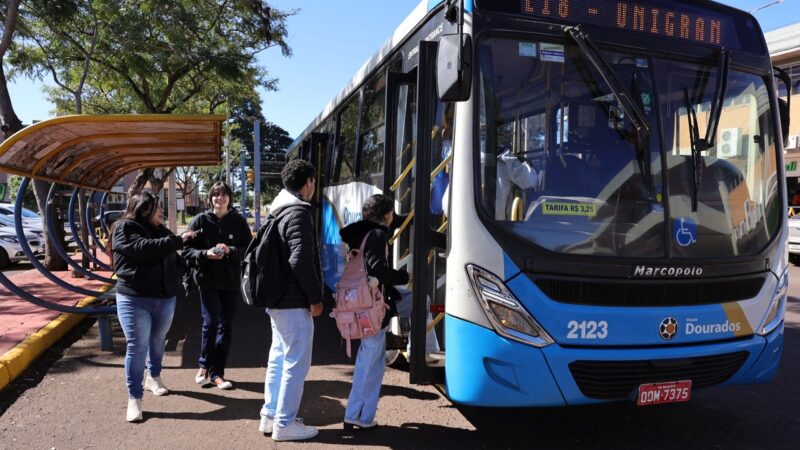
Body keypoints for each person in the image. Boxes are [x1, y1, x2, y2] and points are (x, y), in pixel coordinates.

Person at [110, 189, 196, 422]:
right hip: (134, 299)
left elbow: (175, 259)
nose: (160, 210)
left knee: (158, 341)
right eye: (156, 206)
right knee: (137, 346)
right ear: (143, 208)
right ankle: (134, 398)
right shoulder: (124, 228)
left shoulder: (163, 232)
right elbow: (144, 248)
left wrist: (188, 268)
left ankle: (154, 377)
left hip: (165, 298)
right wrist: (178, 240)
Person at [259, 159, 324, 442]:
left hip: (277, 300)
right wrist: (316, 299)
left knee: (278, 358)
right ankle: (285, 424)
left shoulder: (278, 211)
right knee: (296, 363)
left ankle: (270, 415)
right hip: (293, 301)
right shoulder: (298, 213)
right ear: (308, 182)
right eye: (314, 181)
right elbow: (300, 261)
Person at [338, 194, 411, 430]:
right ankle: (353, 414)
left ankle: (365, 416)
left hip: (363, 306)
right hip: (373, 308)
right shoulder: (378, 235)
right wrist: (405, 277)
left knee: (374, 360)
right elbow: (378, 269)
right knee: (368, 361)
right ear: (387, 215)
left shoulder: (359, 234)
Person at [182, 181, 252, 390]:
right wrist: (205, 254)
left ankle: (217, 373)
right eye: (215, 195)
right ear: (210, 198)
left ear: (230, 198)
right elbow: (186, 251)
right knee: (210, 323)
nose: (219, 199)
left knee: (226, 327)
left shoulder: (239, 222)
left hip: (230, 281)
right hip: (207, 281)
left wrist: (230, 250)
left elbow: (248, 250)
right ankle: (204, 365)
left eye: (223, 195)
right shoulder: (200, 221)